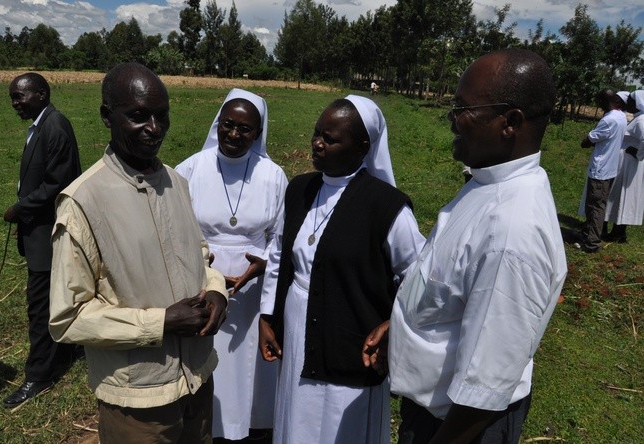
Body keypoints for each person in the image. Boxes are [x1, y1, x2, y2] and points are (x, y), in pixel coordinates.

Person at [363, 49, 568, 443]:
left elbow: (483, 388)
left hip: (459, 426)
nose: (452, 119)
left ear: (510, 122)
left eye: (463, 108)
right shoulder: (488, 183)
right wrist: (406, 324)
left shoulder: (511, 232)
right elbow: (454, 285)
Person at [48, 62, 228, 443]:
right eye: (137, 116)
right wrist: (160, 323)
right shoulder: (84, 201)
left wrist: (216, 290)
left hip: (199, 381)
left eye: (161, 116)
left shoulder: (177, 183)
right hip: (139, 403)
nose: (154, 128)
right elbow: (68, 318)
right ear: (106, 116)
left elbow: (200, 252)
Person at [258, 95, 424, 443]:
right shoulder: (300, 189)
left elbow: (419, 276)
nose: (317, 143)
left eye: (330, 138)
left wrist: (394, 323)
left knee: (339, 421)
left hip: (352, 337)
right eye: (317, 133)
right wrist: (267, 316)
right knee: (297, 416)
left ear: (362, 147)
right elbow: (278, 255)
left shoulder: (387, 207)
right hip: (298, 322)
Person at [176, 89, 287, 442]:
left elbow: (280, 237)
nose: (235, 135)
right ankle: (210, 425)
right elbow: (176, 231)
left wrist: (262, 263)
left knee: (248, 369)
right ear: (218, 123)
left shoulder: (272, 175)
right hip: (201, 283)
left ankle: (250, 427)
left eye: (245, 129)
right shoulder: (190, 168)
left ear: (258, 133)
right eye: (228, 125)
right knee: (209, 361)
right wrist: (207, 266)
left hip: (253, 290)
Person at [2, 72, 82, 408]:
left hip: (50, 232)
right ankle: (61, 352)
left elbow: (58, 184)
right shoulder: (41, 124)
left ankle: (39, 376)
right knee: (51, 298)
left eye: (20, 97)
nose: (16, 105)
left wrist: (20, 207)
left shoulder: (54, 126)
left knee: (40, 306)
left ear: (41, 94)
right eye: (13, 99)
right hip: (40, 230)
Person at [574, 89, 627, 252]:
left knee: (595, 206)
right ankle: (590, 234)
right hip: (610, 169)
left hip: (600, 169)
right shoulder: (621, 116)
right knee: (599, 204)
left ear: (605, 101)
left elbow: (588, 141)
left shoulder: (608, 120)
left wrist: (587, 139)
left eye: (599, 101)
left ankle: (591, 243)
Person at [604, 90, 644, 243]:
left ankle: (618, 232)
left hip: (630, 163)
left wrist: (638, 153)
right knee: (621, 196)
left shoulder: (641, 121)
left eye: (631, 101)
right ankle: (618, 231)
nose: (629, 104)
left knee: (622, 195)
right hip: (628, 162)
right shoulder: (638, 118)